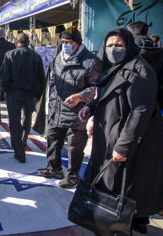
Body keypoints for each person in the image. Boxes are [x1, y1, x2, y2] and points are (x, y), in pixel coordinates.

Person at [79, 27, 163, 235]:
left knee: (122, 187)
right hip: (109, 134)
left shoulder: (140, 70)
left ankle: (116, 229)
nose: (113, 49)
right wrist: (89, 107)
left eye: (118, 45)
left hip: (127, 140)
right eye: (109, 45)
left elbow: (140, 110)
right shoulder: (113, 68)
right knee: (110, 184)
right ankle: (113, 225)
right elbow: (107, 95)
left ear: (128, 46)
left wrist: (123, 146)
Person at [33, 26, 101, 188]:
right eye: (63, 42)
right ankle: (54, 168)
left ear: (77, 43)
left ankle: (73, 175)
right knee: (52, 139)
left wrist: (81, 96)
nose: (65, 45)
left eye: (68, 42)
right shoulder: (58, 57)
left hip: (77, 113)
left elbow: (96, 87)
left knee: (74, 146)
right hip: (56, 108)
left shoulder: (91, 62)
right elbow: (52, 80)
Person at [1, 33, 45, 163]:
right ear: (28, 42)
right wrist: (38, 94)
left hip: (14, 92)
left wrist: (7, 90)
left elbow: (4, 76)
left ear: (16, 43)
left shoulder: (9, 55)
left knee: (14, 122)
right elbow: (42, 78)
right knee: (27, 119)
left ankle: (18, 150)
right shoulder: (36, 56)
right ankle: (23, 141)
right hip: (30, 93)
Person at [127, 21, 163, 112]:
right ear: (147, 33)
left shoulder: (126, 52)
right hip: (156, 107)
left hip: (129, 106)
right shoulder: (162, 53)